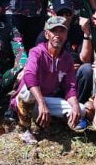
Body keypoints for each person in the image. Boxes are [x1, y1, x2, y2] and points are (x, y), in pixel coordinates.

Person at [13, 15, 84, 144]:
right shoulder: (37, 52)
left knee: (81, 109)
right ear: (47, 34)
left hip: (46, 101)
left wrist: (74, 106)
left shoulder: (66, 59)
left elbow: (70, 87)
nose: (57, 35)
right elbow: (29, 76)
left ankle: (55, 125)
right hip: (31, 100)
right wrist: (41, 103)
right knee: (27, 92)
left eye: (61, 31)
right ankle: (24, 129)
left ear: (66, 34)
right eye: (54, 31)